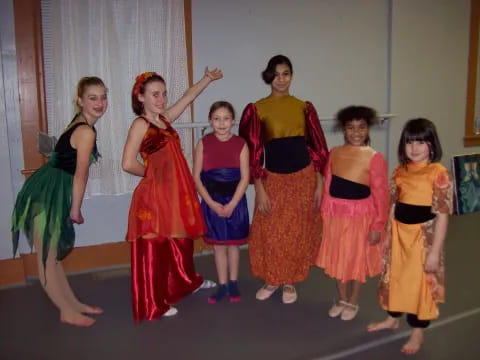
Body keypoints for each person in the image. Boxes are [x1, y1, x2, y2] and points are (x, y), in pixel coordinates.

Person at [122, 68, 222, 322]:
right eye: (155, 94)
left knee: (180, 241)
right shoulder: (140, 124)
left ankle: (186, 281)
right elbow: (127, 163)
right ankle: (154, 303)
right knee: (156, 247)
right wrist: (151, 175)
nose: (161, 99)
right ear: (141, 97)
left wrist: (207, 79)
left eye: (164, 94)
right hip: (154, 196)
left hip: (175, 192)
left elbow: (188, 98)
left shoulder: (164, 119)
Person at [11, 76, 107, 327]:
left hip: (52, 188)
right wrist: (75, 209)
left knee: (51, 256)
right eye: (92, 98)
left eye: (103, 97)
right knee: (47, 256)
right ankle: (66, 310)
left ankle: (73, 304)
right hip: (47, 194)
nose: (100, 103)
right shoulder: (85, 130)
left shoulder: (81, 123)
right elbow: (80, 173)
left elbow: (61, 154)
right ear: (80, 100)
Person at [239, 55, 328, 304]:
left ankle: (289, 280)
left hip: (303, 177)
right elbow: (252, 152)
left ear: (292, 75)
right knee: (272, 231)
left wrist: (319, 182)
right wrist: (259, 187)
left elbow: (317, 146)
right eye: (277, 74)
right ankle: (272, 278)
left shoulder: (304, 107)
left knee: (296, 230)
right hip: (274, 178)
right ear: (270, 76)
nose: (281, 79)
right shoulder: (257, 109)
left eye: (286, 73)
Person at [367, 118, 453, 355]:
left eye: (421, 142)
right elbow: (394, 205)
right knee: (394, 278)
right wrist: (386, 234)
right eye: (410, 142)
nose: (414, 148)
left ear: (432, 145)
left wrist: (434, 252)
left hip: (421, 240)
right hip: (398, 236)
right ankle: (392, 318)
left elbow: (443, 216)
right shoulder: (400, 171)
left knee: (419, 285)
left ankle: (417, 331)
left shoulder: (439, 173)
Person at [315, 106, 388, 321]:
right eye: (351, 127)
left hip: (361, 219)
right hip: (336, 217)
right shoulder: (335, 153)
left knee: (356, 260)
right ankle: (342, 297)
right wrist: (325, 218)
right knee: (338, 258)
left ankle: (353, 300)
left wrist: (378, 225)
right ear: (344, 130)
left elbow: (381, 195)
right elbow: (328, 185)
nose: (356, 132)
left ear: (368, 129)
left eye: (361, 127)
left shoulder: (374, 158)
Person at [192, 101, 249, 303]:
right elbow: (197, 177)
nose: (221, 123)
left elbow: (245, 177)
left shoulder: (241, 144)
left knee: (233, 246)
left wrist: (233, 203)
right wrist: (211, 203)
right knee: (218, 247)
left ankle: (233, 283)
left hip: (235, 202)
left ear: (233, 120)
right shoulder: (204, 144)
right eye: (217, 119)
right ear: (210, 121)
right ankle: (222, 284)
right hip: (212, 201)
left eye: (226, 118)